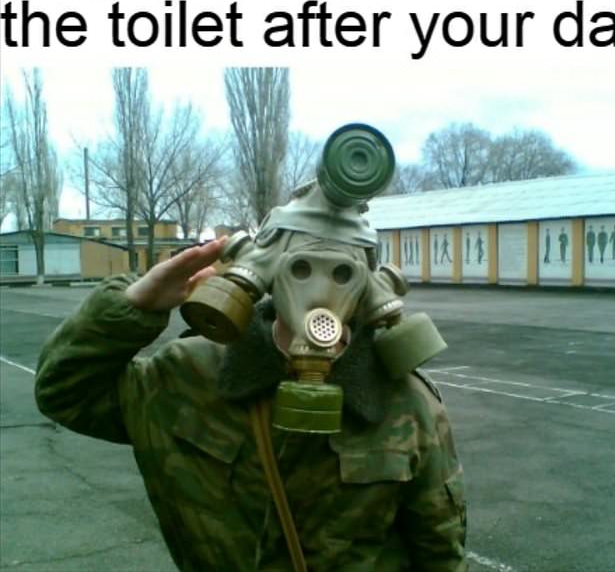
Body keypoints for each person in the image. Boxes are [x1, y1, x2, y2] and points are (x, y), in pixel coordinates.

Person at [34, 239, 468, 572]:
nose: (318, 289)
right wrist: (130, 307)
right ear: (269, 272)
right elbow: (64, 392)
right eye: (300, 268)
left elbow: (439, 550)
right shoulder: (188, 375)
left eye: (341, 273)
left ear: (366, 282)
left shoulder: (405, 402)